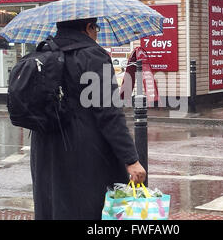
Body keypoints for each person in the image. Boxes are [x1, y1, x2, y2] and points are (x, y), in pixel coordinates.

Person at [30, 17, 147, 220]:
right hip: (83, 154)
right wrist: (131, 159)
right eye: (97, 29)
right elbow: (108, 113)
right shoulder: (92, 56)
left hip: (45, 152)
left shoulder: (42, 53)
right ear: (88, 27)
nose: (97, 34)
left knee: (53, 209)